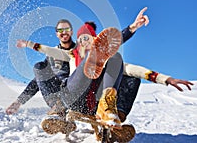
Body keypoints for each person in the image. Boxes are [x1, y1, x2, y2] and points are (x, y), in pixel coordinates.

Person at [15, 20, 193, 135]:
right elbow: (50, 50)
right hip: (73, 98)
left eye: (90, 39)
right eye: (82, 39)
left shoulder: (108, 60)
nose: (86, 42)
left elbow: (134, 70)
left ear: (95, 41)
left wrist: (166, 79)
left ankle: (113, 115)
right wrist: (30, 44)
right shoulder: (71, 54)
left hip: (94, 106)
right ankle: (63, 111)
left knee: (127, 74)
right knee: (90, 64)